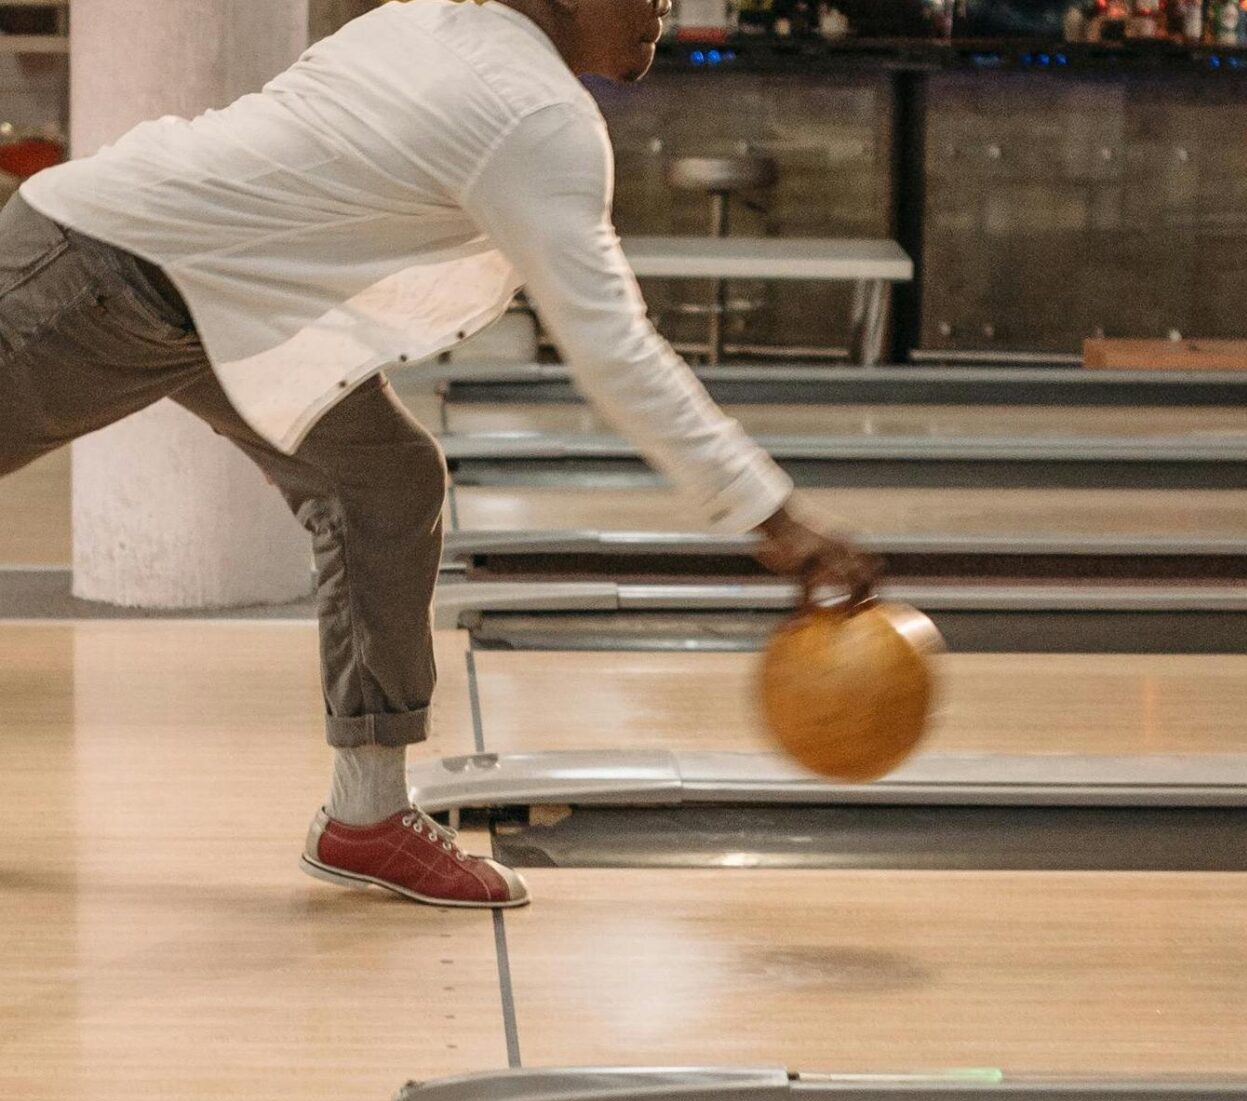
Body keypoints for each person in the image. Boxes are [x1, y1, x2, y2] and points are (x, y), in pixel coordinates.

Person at [0, 0, 877, 910]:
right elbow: (612, 346)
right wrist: (772, 514)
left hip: (226, 302)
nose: (663, 1)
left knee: (384, 482)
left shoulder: (435, 33)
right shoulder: (530, 111)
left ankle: (367, 817)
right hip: (98, 268)